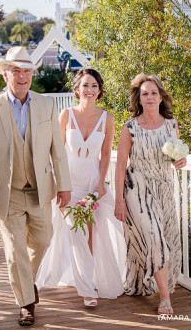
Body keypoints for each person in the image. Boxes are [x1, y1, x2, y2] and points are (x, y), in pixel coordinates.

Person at [0, 46, 72, 326]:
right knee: (14, 249)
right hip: (8, 192)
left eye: (27, 70)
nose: (23, 76)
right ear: (6, 74)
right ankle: (26, 303)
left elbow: (58, 150)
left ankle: (26, 284)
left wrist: (64, 185)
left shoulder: (46, 105)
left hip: (41, 189)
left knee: (42, 240)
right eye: (16, 70)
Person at [36, 69, 126, 306]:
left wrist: (100, 183)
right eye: (85, 85)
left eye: (94, 85)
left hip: (93, 184)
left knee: (90, 234)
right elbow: (56, 152)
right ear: (77, 89)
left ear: (100, 90)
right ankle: (87, 290)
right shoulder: (66, 115)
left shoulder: (107, 118)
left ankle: (90, 278)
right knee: (76, 232)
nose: (89, 90)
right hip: (69, 184)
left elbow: (106, 153)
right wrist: (58, 184)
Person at [114, 74, 185, 315]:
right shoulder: (130, 127)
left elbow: (176, 154)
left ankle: (142, 283)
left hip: (164, 188)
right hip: (137, 189)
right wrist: (119, 201)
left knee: (163, 238)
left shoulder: (171, 124)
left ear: (161, 96)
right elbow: (120, 166)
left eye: (154, 92)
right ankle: (165, 299)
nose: (150, 97)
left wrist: (180, 160)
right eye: (145, 93)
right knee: (155, 237)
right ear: (139, 98)